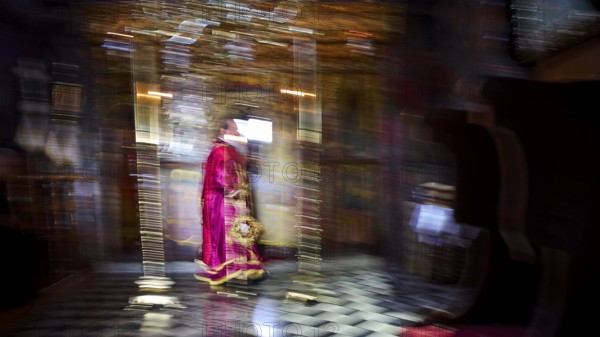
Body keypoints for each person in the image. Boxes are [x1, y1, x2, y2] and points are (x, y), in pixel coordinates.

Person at [194, 118, 268, 285]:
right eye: (233, 130)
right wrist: (236, 192)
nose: (237, 133)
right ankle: (230, 271)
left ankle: (245, 270)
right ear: (223, 131)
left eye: (237, 130)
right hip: (224, 203)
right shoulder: (220, 150)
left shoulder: (230, 150)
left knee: (242, 234)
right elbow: (222, 178)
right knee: (231, 237)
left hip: (234, 202)